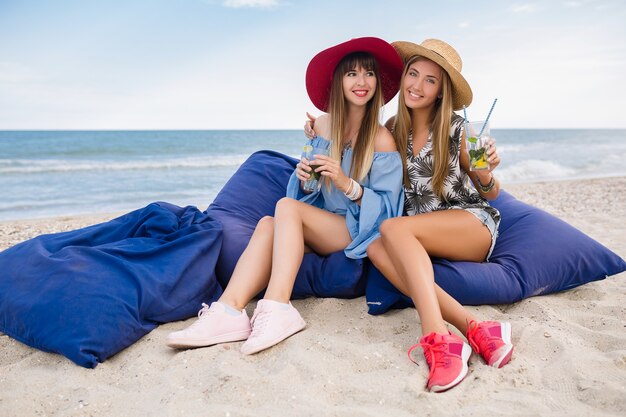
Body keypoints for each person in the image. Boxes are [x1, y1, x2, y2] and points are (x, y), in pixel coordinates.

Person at [165, 37, 405, 355]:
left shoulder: (381, 140)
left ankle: (278, 305)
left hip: (357, 226)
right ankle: (228, 311)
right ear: (339, 82)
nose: (361, 82)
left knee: (285, 208)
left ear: (378, 82)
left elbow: (389, 211)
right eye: (352, 74)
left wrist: (348, 184)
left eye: (368, 73)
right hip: (323, 221)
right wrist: (305, 179)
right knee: (267, 223)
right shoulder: (322, 125)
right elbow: (310, 191)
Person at [367, 39, 513, 392]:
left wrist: (486, 168)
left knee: (391, 229)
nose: (417, 86)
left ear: (440, 91)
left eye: (430, 80)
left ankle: (436, 335)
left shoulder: (463, 130)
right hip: (419, 232)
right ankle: (475, 326)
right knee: (374, 247)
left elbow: (490, 191)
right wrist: (318, 130)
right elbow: (354, 140)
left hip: (470, 224)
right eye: (413, 74)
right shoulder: (391, 130)